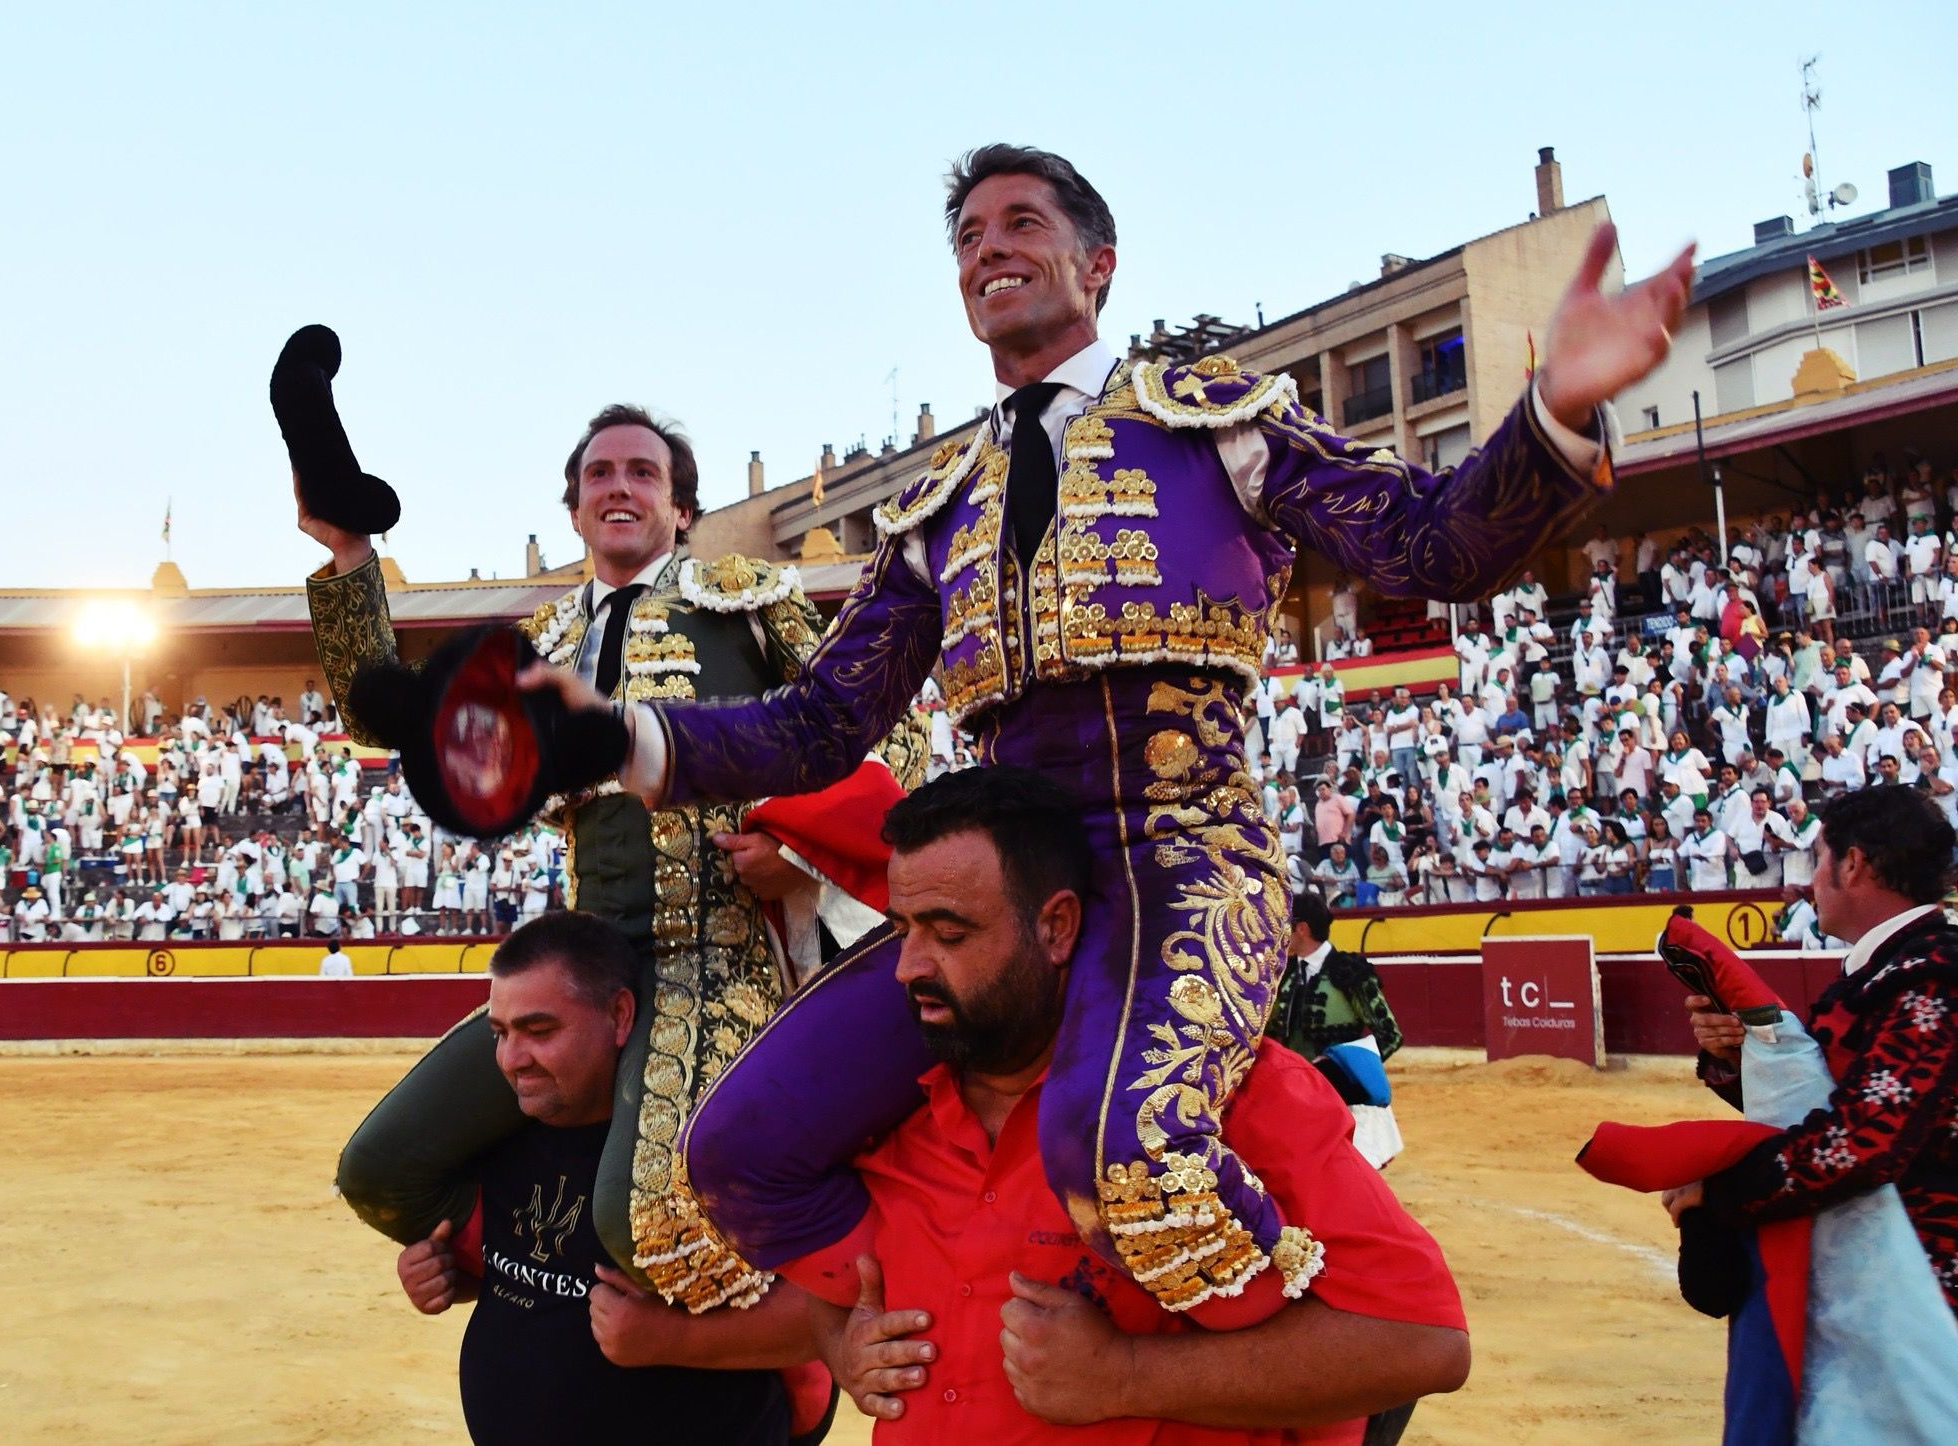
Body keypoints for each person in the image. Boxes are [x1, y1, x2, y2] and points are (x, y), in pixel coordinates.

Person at [534, 142, 1692, 1316]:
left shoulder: (1220, 425)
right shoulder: (940, 503)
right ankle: (958, 1312)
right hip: (998, 888)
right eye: (968, 239)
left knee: (1134, 1161)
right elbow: (823, 721)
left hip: (1186, 858)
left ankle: (1300, 1380)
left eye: (1019, 224)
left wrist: (1556, 406)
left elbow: (1432, 549)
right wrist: (614, 737)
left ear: (1097, 264)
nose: (988, 248)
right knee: (738, 1149)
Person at [318, 404, 921, 1309]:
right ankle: (542, 1277)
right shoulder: (541, 646)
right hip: (579, 962)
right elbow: (387, 717)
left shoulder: (751, 599)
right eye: (600, 475)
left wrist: (800, 857)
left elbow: (889, 734)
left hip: (719, 950)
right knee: (381, 1168)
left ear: (682, 509)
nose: (620, 487)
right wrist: (350, 555)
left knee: (654, 1225)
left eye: (644, 473)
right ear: (574, 511)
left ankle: (808, 1346)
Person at [820, 768, 1466, 1441]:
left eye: (949, 935)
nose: (909, 966)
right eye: (903, 930)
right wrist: (839, 1341)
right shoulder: (880, 1105)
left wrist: (1126, 1375)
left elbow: (1424, 1342)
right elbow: (783, 1285)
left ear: (1057, 927)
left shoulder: (1216, 1088)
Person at [385, 911, 822, 1445]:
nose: (511, 1059)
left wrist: (671, 1339)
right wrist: (447, 1277)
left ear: (619, 1017)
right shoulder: (499, 1138)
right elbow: (533, 1272)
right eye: (500, 1033)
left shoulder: (707, 1152)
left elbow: (822, 1320)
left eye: (539, 1031)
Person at [1672, 786, 1958, 1314]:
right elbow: (1826, 1104)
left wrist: (1727, 1191)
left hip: (1928, 1295)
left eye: (1818, 856)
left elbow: (1864, 1142)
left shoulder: (1934, 978)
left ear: (1852, 865)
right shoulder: (1891, 970)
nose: (1810, 879)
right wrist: (1740, 1061)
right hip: (1886, 1272)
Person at [1267, 891, 1405, 1169]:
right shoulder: (1284, 972)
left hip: (1341, 1099)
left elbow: (1389, 1034)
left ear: (1302, 928)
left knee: (1346, 1172)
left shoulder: (1349, 972)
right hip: (1294, 1095)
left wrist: (1345, 1071)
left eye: (1285, 924)